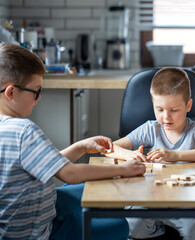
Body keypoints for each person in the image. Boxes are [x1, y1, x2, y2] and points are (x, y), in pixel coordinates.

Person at [0, 43, 146, 240]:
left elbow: (44, 163)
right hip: (39, 231)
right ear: (10, 92)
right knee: (119, 226)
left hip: (16, 223)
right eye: (36, 91)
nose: (39, 98)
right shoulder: (24, 131)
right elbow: (70, 174)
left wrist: (81, 147)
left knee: (91, 190)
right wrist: (125, 169)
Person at [106, 67, 195, 240]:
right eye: (160, 109)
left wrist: (176, 156)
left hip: (186, 203)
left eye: (174, 110)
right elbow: (109, 148)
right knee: (133, 225)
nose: (166, 117)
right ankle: (163, 231)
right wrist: (129, 155)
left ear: (188, 105)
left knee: (193, 231)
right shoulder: (151, 129)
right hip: (151, 201)